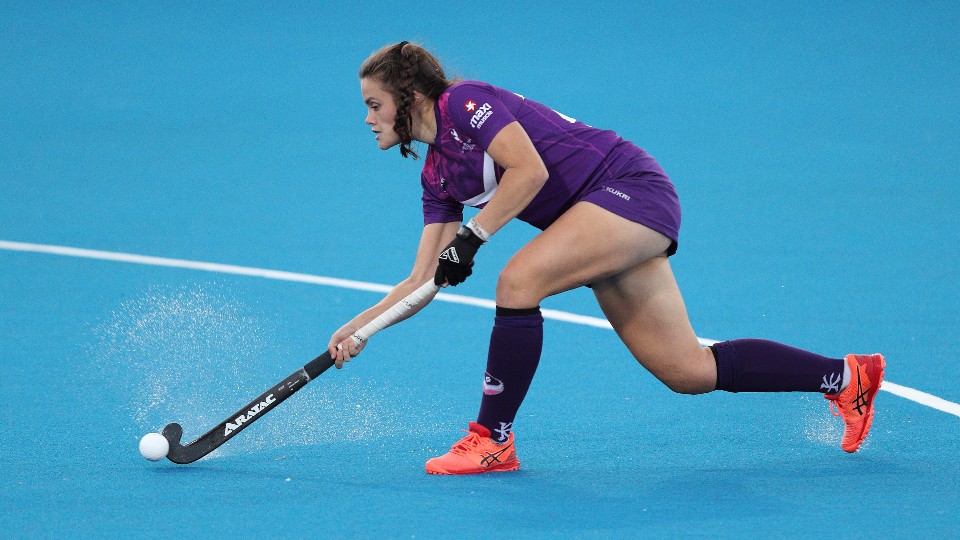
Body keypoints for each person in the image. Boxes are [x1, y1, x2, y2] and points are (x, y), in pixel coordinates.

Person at [328, 41, 885, 475]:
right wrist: (357, 331)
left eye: (375, 104)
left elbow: (530, 171)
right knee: (687, 370)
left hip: (630, 189)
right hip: (595, 222)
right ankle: (848, 377)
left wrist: (472, 237)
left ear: (410, 96)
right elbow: (422, 279)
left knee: (518, 282)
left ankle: (491, 440)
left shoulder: (464, 103)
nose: (369, 118)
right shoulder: (437, 175)